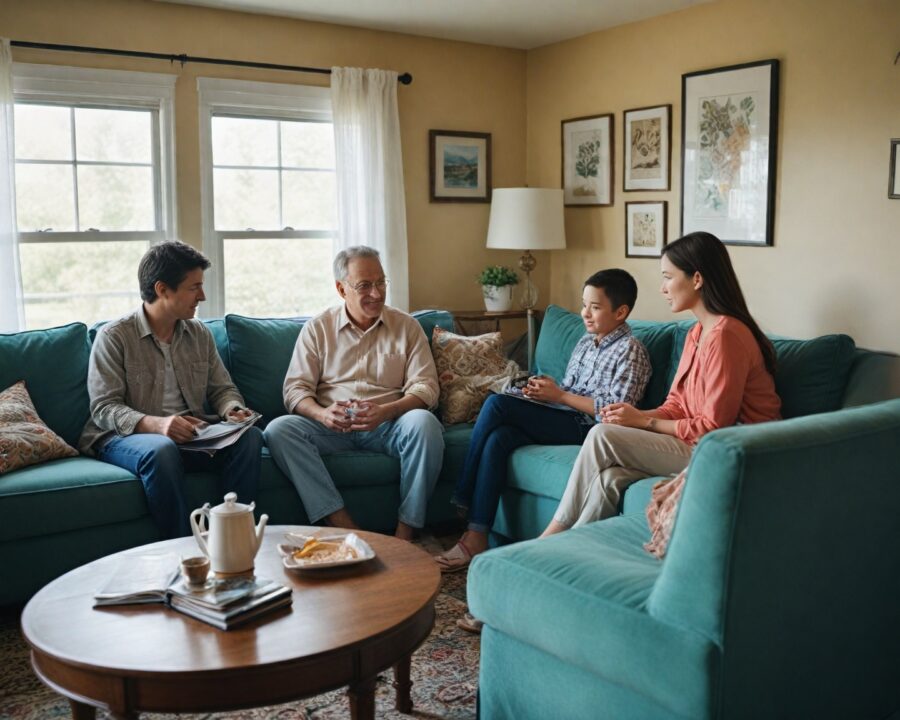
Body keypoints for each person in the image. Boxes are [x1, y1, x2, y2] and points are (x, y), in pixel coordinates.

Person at [541, 231, 782, 537]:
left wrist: (644, 422)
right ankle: (569, 545)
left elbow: (713, 427)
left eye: (668, 277)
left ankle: (551, 533)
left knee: (602, 435)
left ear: (697, 279)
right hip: (698, 441)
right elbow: (677, 405)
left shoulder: (725, 336)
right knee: (610, 477)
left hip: (735, 450)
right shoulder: (697, 333)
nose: (662, 288)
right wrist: (633, 416)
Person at [436, 269, 652, 572]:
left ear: (621, 312)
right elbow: (569, 390)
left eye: (595, 307)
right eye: (584, 305)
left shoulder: (631, 351)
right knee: (500, 437)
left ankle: (463, 494)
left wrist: (560, 396)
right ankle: (476, 536)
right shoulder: (586, 342)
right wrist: (543, 392)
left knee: (497, 406)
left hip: (592, 431)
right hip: (564, 415)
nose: (585, 313)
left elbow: (615, 413)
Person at [79, 241, 263, 539]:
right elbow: (104, 408)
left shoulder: (199, 333)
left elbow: (222, 389)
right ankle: (185, 548)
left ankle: (232, 540)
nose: (202, 296)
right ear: (162, 289)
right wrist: (159, 425)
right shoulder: (114, 337)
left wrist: (232, 409)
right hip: (126, 438)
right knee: (161, 449)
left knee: (250, 437)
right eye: (194, 287)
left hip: (192, 437)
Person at [264, 246, 443, 541]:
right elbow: (295, 389)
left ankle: (405, 534)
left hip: (389, 425)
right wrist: (322, 414)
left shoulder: (407, 327)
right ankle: (345, 527)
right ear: (341, 289)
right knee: (279, 430)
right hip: (331, 428)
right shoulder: (318, 329)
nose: (376, 293)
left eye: (381, 282)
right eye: (364, 285)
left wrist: (387, 411)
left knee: (425, 423)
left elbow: (426, 387)